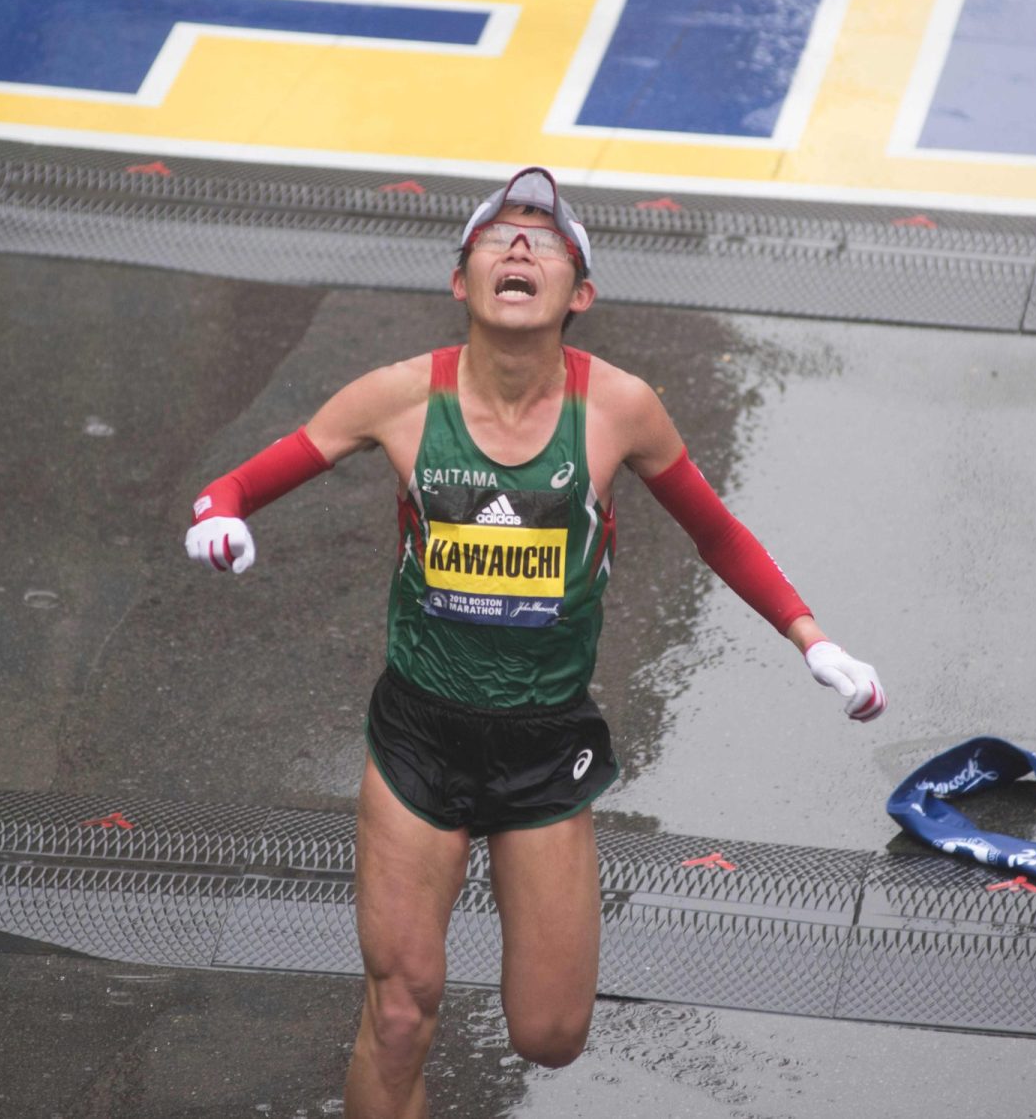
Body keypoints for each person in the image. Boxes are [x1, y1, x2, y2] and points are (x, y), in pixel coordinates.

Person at [184, 167, 887, 1118]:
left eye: (545, 241)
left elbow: (715, 531)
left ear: (580, 293)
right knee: (401, 1013)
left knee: (548, 1036)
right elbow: (232, 488)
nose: (520, 247)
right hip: (417, 740)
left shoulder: (620, 410)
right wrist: (220, 522)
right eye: (498, 237)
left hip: (546, 745)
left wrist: (813, 640)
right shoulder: (396, 398)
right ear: (460, 280)